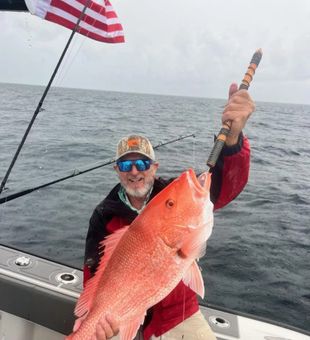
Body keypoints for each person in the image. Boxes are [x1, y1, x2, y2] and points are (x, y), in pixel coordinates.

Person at [83, 83, 255, 339]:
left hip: (178, 316)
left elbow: (224, 185)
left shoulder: (172, 192)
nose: (134, 172)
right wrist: (96, 323)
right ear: (116, 170)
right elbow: (92, 275)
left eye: (142, 163)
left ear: (154, 167)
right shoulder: (104, 215)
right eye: (125, 164)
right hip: (122, 318)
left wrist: (232, 140)